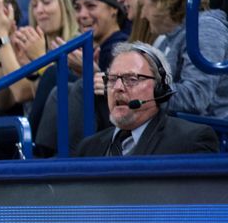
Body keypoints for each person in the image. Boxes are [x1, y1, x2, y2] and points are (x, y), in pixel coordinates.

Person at [76, 43, 219, 157]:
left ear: (159, 89)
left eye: (131, 79)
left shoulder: (191, 141)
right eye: (112, 79)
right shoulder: (88, 148)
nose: (118, 87)